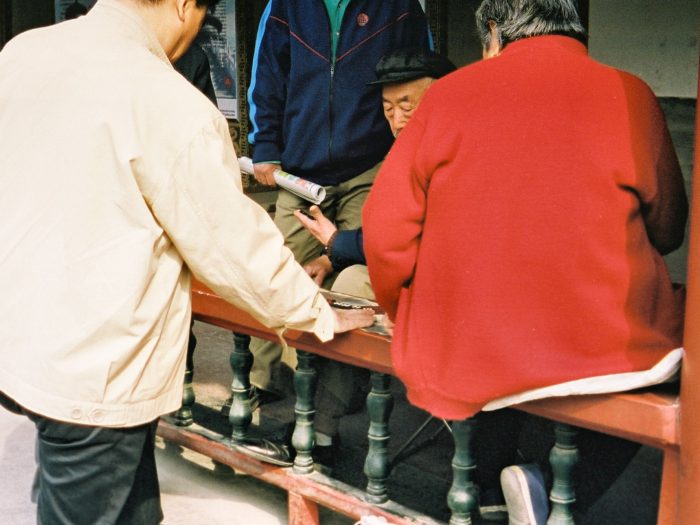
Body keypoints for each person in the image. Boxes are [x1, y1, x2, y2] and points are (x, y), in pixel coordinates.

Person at [0, 1, 373, 523]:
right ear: (181, 5)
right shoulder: (168, 103)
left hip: (24, 342)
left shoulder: (23, 54)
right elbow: (233, 247)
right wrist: (316, 311)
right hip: (95, 369)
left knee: (127, 506)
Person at [362, 0, 687, 522]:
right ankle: (552, 487)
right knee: (680, 352)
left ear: (493, 33)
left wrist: (401, 307)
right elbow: (669, 229)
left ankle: (490, 493)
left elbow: (384, 231)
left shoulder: (447, 95)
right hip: (600, 339)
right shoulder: (631, 93)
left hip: (473, 335)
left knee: (481, 345)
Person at [244, 0, 432, 432]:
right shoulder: (286, 5)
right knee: (279, 265)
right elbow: (267, 76)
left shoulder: (399, 5)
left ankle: (333, 400)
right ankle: (267, 381)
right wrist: (266, 147)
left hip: (368, 165)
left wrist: (398, 155)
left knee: (353, 278)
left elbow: (422, 72)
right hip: (299, 170)